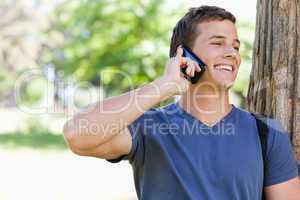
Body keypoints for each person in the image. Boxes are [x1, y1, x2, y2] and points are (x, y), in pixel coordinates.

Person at [63, 5, 300, 200]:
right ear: (184, 56)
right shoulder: (148, 128)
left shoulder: (266, 134)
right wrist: (165, 85)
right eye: (218, 43)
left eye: (235, 46)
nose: (232, 53)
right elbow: (76, 134)